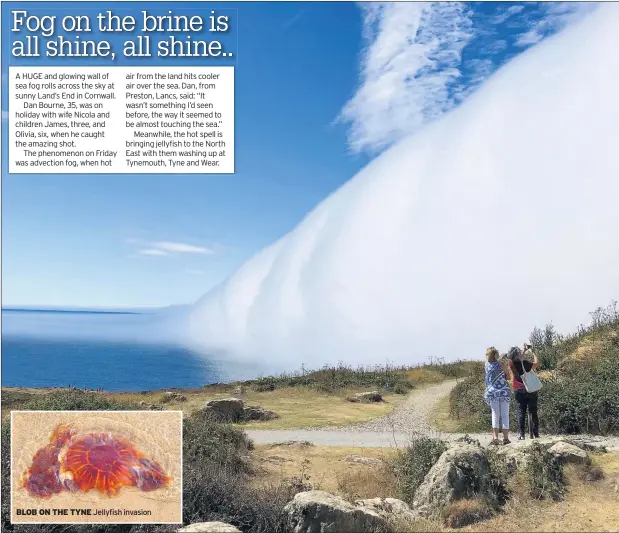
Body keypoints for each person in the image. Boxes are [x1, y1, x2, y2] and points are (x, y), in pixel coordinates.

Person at [508, 344, 540, 440]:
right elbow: (537, 363)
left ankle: (521, 435)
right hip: (529, 389)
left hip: (518, 389)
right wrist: (534, 352)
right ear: (518, 355)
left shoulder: (511, 363)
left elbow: (519, 357)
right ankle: (536, 434)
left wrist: (524, 350)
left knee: (521, 411)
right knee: (533, 410)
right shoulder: (525, 363)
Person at [484, 346, 512, 445]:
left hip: (492, 393)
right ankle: (505, 438)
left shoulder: (486, 365)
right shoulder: (501, 364)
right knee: (505, 415)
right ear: (496, 354)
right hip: (504, 391)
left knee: (495, 414)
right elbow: (508, 377)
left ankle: (495, 437)